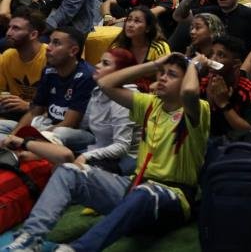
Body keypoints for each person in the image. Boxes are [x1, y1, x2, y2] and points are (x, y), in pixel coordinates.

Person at [6, 52, 208, 252]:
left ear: (186, 80)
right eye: (162, 73)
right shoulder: (150, 104)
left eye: (172, 74)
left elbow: (189, 92)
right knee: (69, 170)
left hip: (173, 196)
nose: (163, 77)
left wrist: (193, 65)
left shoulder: (197, 109)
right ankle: (30, 239)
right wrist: (155, 64)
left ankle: (77, 249)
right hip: (135, 185)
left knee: (144, 193)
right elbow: (105, 84)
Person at [5, 48, 137, 175]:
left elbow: (121, 146)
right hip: (95, 145)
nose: (97, 66)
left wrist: (85, 155)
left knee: (63, 166)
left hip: (122, 158)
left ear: (121, 72)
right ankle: (29, 151)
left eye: (105, 63)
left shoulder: (124, 100)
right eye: (99, 61)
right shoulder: (98, 91)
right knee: (44, 129)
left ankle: (30, 152)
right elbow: (84, 126)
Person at [0, 26, 96, 151]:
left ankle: (29, 149)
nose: (48, 47)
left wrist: (28, 140)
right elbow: (35, 111)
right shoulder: (48, 71)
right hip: (48, 125)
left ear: (73, 51)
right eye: (50, 41)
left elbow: (70, 123)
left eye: (56, 43)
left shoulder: (86, 76)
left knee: (61, 132)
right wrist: (13, 136)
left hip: (79, 134)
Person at [196, 34, 251, 137]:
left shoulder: (250, 88)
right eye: (211, 54)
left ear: (236, 64)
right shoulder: (205, 79)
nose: (212, 59)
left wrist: (224, 103)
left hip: (237, 143)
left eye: (221, 55)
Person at [0, 7, 48, 121]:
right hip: (13, 112)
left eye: (16, 29)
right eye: (9, 27)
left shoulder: (50, 58)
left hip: (41, 117)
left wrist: (28, 106)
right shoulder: (8, 56)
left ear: (33, 34)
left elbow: (60, 105)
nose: (8, 33)